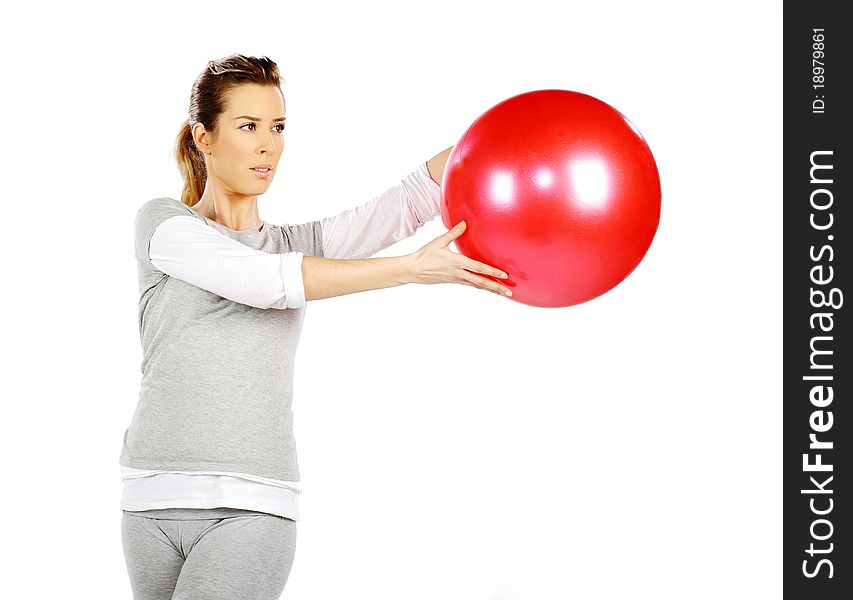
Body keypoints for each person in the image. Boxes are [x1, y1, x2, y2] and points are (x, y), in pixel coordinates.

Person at [119, 53, 512, 600]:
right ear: (203, 138)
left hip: (252, 506)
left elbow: (405, 203)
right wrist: (412, 269)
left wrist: (498, 141)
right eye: (248, 126)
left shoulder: (293, 247)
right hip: (150, 500)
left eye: (277, 127)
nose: (268, 145)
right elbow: (266, 280)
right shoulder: (163, 225)